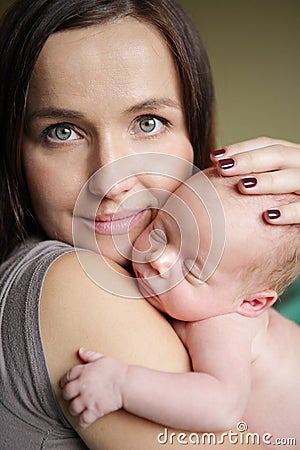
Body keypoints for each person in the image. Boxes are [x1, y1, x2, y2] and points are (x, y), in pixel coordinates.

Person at [0, 0, 299, 448]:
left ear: (193, 138)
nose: (111, 177)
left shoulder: (224, 281)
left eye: (148, 122)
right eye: (62, 130)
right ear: (15, 153)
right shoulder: (73, 284)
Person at [59, 167, 300, 446]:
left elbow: (222, 407)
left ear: (251, 302)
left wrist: (121, 383)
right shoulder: (214, 297)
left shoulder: (223, 325)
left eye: (192, 270)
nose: (159, 259)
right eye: (160, 233)